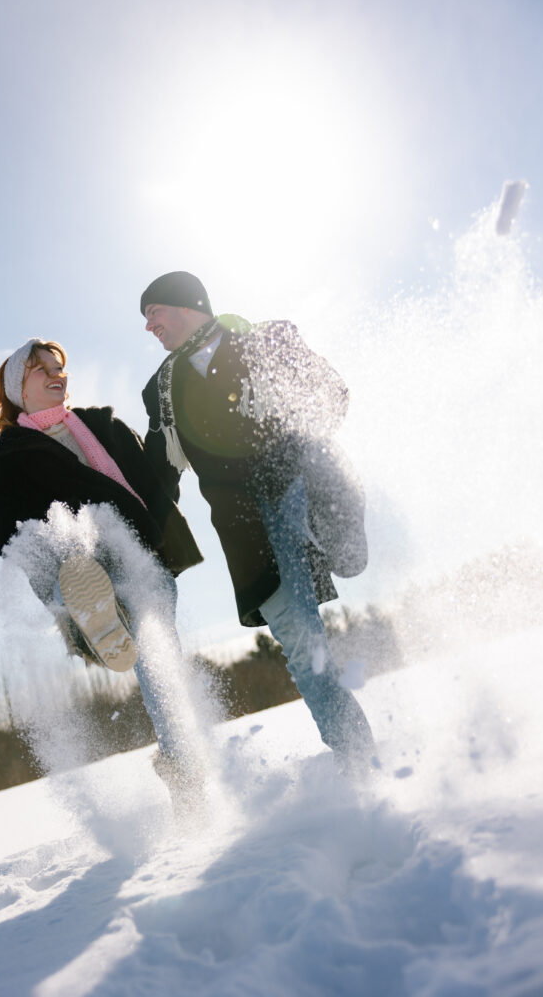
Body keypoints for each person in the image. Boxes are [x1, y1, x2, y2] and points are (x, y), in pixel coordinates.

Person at [140, 272, 375, 776]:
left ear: (185, 303)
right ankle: (358, 760)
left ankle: (337, 531)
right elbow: (158, 475)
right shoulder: (161, 388)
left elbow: (332, 394)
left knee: (336, 533)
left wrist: (286, 416)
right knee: (301, 644)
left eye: (154, 312)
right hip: (247, 532)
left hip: (300, 485)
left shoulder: (267, 337)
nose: (149, 326)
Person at [0, 337, 205, 803]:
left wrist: (163, 509)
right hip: (82, 567)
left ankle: (180, 762)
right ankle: (89, 613)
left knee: (159, 661)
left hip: (146, 558)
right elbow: (12, 537)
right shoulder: (8, 462)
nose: (54, 374)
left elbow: (151, 481)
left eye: (57, 366)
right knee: (155, 661)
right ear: (19, 390)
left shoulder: (103, 426)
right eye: (40, 369)